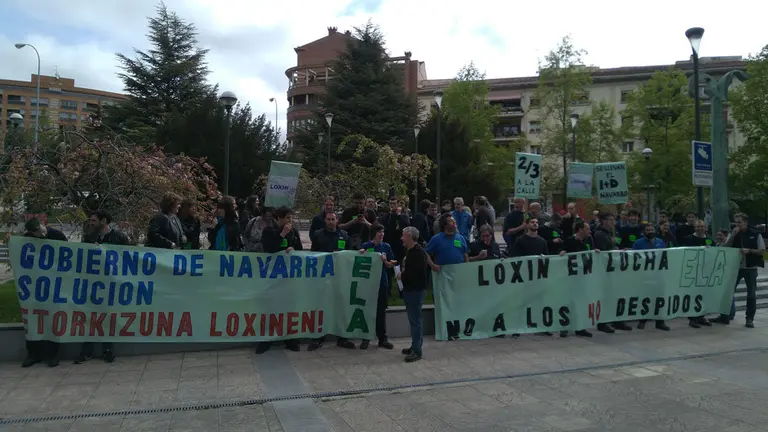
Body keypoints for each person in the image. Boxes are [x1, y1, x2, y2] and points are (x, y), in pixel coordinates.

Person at [76, 210, 130, 364]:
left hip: (110, 284)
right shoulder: (89, 237)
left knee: (106, 317)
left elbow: (128, 258)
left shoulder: (119, 237)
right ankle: (86, 351)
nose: (91, 223)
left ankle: (107, 349)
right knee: (90, 316)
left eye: (94, 221)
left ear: (104, 220)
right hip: (92, 283)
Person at [256, 207, 303, 354]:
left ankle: (290, 339)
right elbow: (269, 248)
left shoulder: (294, 232)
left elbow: (300, 249)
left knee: (289, 308)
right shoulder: (269, 231)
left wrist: (293, 249)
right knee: (271, 309)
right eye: (287, 218)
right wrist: (282, 235)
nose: (290, 221)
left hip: (288, 276)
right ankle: (266, 340)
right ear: (279, 218)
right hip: (273, 277)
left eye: (291, 218)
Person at [21, 218, 66, 368]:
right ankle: (33, 354)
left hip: (54, 284)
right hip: (35, 286)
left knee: (53, 319)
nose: (39, 234)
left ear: (43, 225)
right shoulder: (27, 238)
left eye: (40, 231)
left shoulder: (57, 235)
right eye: (36, 233)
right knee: (34, 318)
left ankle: (53, 355)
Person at [308, 211, 356, 350]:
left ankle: (342, 338)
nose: (330, 221)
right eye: (328, 219)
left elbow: (349, 255)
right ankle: (317, 338)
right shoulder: (318, 235)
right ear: (325, 221)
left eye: (333, 219)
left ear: (337, 221)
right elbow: (313, 255)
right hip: (323, 278)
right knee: (321, 308)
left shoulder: (344, 236)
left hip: (339, 278)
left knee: (340, 307)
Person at [712, 214, 765, 328]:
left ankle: (749, 318)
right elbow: (727, 246)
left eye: (739, 222)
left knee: (751, 293)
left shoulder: (755, 234)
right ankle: (725, 315)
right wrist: (732, 236)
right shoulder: (735, 233)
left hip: (750, 267)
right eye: (736, 223)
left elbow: (762, 250)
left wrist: (749, 251)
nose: (737, 225)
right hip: (736, 267)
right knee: (729, 291)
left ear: (745, 222)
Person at [359, 224, 396, 350]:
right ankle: (366, 337)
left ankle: (382, 338)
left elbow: (392, 263)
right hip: (368, 285)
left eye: (383, 232)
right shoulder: (366, 246)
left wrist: (386, 261)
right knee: (368, 311)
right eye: (379, 232)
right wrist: (362, 254)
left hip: (382, 283)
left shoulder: (386, 247)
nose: (381, 234)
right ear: (374, 233)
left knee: (381, 312)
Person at [558, 220, 596, 338]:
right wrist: (562, 254)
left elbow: (591, 253)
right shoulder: (569, 241)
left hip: (584, 277)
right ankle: (564, 326)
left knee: (582, 303)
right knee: (568, 303)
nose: (589, 231)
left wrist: (596, 252)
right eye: (587, 229)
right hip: (571, 278)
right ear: (580, 230)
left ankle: (580, 327)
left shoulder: (589, 240)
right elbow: (562, 255)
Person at [632, 224, 671, 332]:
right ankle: (642, 321)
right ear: (644, 231)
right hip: (644, 275)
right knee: (644, 298)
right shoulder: (638, 243)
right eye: (647, 230)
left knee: (659, 298)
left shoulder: (660, 242)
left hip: (658, 275)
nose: (650, 231)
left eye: (652, 229)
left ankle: (660, 322)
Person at [399, 226, 429, 363]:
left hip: (415, 291)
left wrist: (403, 275)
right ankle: (414, 345)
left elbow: (417, 274)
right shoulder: (410, 251)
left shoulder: (418, 253)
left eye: (403, 236)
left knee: (415, 320)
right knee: (413, 320)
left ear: (410, 237)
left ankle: (417, 350)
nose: (401, 238)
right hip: (410, 289)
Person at [591, 212, 623, 333]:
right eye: (610, 219)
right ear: (603, 221)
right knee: (604, 296)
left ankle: (616, 320)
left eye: (613, 220)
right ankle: (602, 322)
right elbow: (603, 252)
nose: (612, 222)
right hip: (604, 270)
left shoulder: (612, 233)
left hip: (613, 268)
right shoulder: (600, 234)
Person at [680, 219, 715, 328]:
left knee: (704, 295)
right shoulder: (688, 239)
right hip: (692, 272)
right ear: (695, 228)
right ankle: (692, 318)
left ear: (705, 228)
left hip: (705, 272)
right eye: (698, 227)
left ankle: (701, 316)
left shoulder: (709, 241)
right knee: (693, 295)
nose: (700, 229)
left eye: (702, 227)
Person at [379, 196, 410, 261]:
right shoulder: (385, 216)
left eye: (394, 203)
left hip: (399, 244)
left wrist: (399, 215)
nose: (392, 205)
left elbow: (407, 226)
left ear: (398, 204)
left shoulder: (403, 216)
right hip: (389, 242)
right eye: (390, 203)